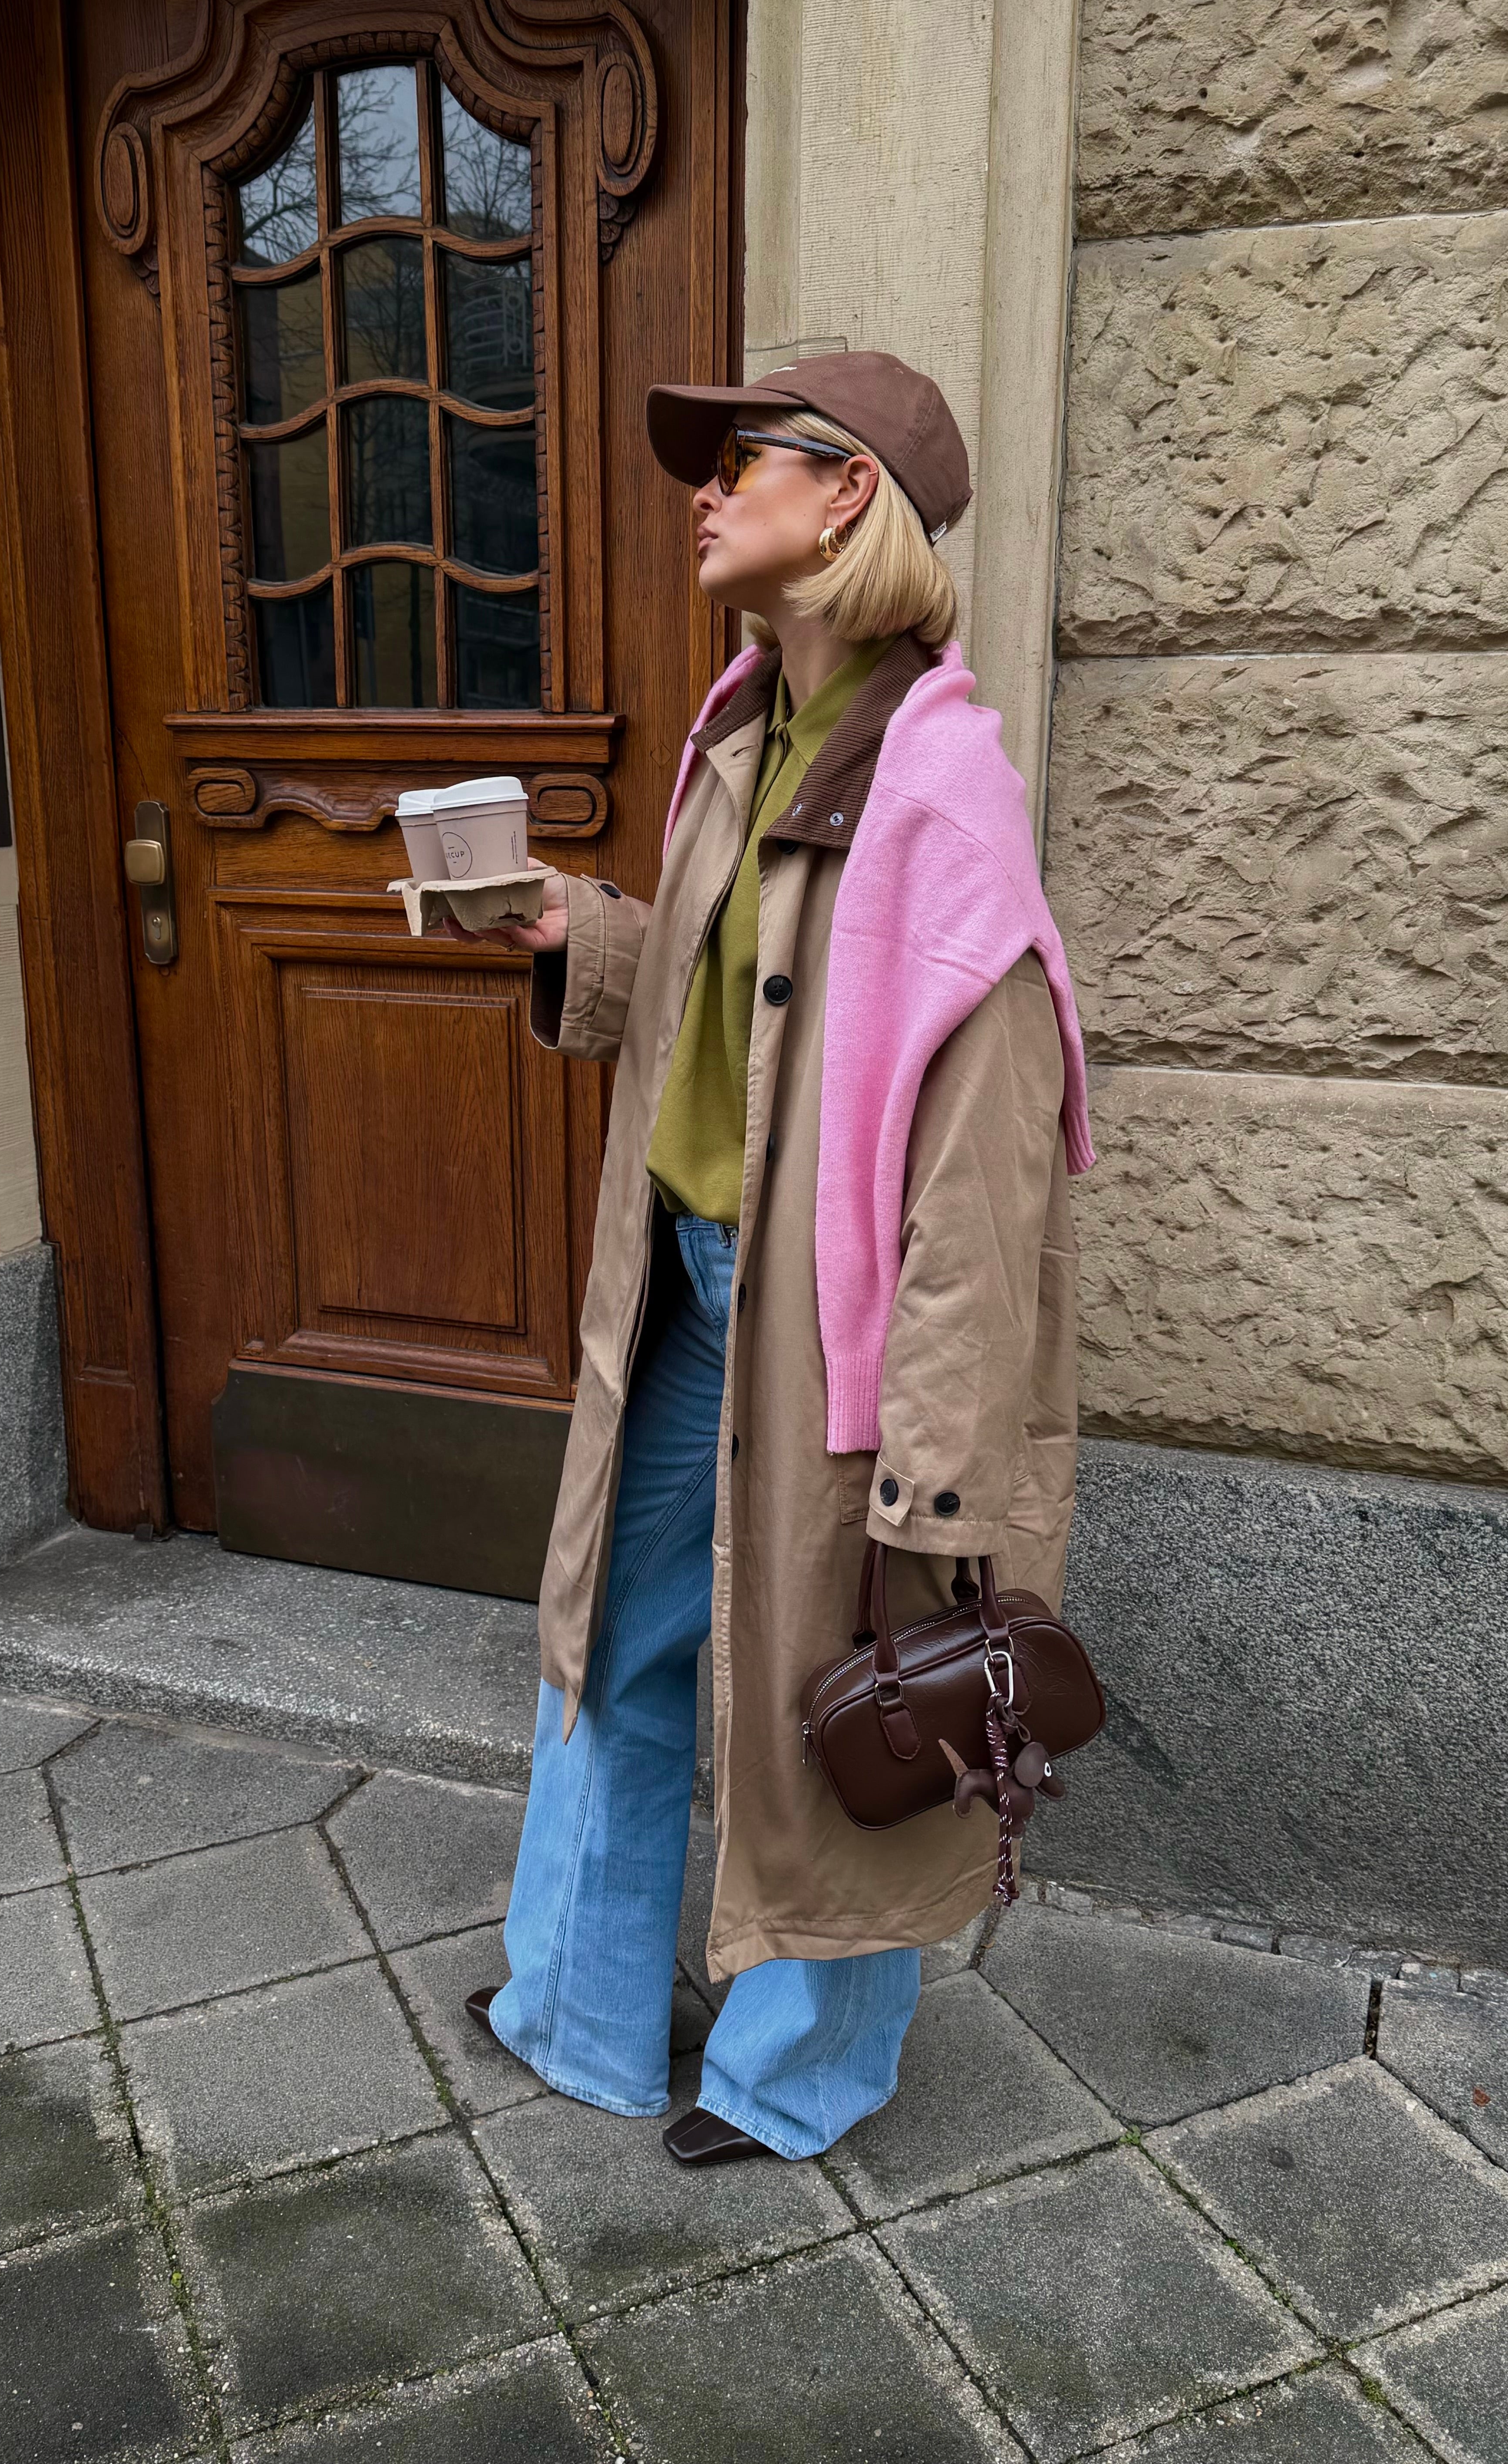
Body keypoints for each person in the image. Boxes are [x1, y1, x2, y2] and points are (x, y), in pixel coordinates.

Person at [456, 350, 1093, 2164]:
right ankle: (573, 2009)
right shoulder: (747, 736)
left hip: (835, 1333)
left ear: (848, 498)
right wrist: (578, 931)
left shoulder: (938, 791)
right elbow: (748, 1015)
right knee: (613, 1642)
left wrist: (941, 1474)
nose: (708, 490)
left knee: (860, 1695)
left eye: (748, 462)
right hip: (694, 1287)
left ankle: (795, 2072)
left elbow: (985, 1163)